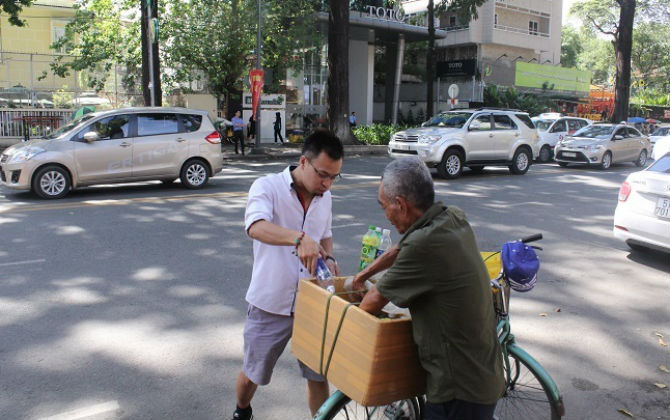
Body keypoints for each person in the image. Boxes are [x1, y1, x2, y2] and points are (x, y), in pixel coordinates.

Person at [352, 157, 505, 420]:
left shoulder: (424, 245)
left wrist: (341, 330)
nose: (385, 216)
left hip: (459, 388)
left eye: (384, 207)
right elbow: (402, 247)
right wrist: (364, 274)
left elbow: (372, 303)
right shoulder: (451, 217)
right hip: (482, 371)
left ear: (400, 205)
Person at [232, 130, 345, 420]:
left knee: (318, 376)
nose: (327, 183)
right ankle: (242, 411)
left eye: (334, 177)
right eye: (322, 174)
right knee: (254, 372)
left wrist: (329, 257)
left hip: (312, 302)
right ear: (303, 162)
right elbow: (255, 226)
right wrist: (298, 238)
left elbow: (326, 234)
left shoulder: (325, 196)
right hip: (271, 301)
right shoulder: (267, 187)